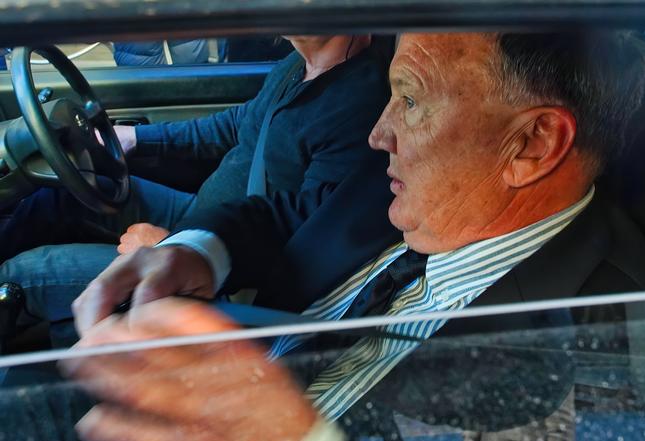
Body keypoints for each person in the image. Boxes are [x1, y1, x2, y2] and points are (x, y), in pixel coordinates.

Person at [65, 30, 645, 441]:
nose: (379, 132)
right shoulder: (409, 186)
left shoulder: (610, 340)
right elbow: (283, 216)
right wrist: (192, 251)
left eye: (412, 99)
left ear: (533, 143)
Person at [0, 35, 391, 334]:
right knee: (59, 195)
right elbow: (241, 124)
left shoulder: (359, 104)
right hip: (200, 215)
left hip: (225, 277)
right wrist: (137, 139)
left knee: (21, 275)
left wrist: (176, 248)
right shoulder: (298, 64)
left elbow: (312, 242)